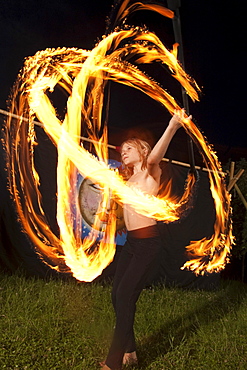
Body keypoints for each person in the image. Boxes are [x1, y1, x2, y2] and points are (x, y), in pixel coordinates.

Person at [101, 109, 190, 370]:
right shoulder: (129, 180)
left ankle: (113, 362)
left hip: (147, 244)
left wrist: (173, 125)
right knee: (117, 296)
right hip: (131, 243)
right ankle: (130, 351)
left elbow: (155, 157)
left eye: (129, 148)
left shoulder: (151, 172)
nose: (123, 152)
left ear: (142, 151)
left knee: (126, 294)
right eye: (122, 149)